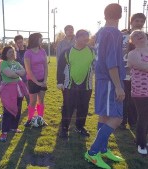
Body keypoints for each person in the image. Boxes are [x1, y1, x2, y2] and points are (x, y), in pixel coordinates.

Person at [84, 4, 125, 169]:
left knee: (105, 116)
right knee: (117, 117)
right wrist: (118, 86)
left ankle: (102, 148)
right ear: (120, 16)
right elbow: (111, 62)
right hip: (110, 80)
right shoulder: (113, 32)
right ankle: (92, 153)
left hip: (102, 80)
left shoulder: (100, 32)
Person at [57, 29, 95, 138]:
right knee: (68, 107)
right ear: (77, 38)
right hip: (69, 85)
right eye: (83, 37)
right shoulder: (67, 52)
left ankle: (80, 127)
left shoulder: (92, 51)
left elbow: (97, 65)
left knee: (83, 107)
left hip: (86, 85)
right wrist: (59, 82)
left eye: (87, 38)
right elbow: (60, 68)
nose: (85, 40)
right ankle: (64, 129)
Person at [120, 13, 146, 129]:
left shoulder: (145, 37)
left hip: (140, 76)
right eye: (137, 21)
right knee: (123, 98)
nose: (139, 23)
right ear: (131, 22)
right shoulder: (123, 35)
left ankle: (133, 121)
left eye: (141, 21)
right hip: (124, 73)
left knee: (135, 100)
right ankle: (121, 121)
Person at [0, 46, 28, 141]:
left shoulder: (17, 63)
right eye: (9, 52)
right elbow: (9, 74)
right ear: (5, 54)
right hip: (8, 89)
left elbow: (24, 72)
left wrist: (15, 72)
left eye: (13, 51)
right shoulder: (3, 63)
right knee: (7, 110)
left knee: (18, 108)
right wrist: (17, 73)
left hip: (18, 88)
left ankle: (14, 127)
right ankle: (4, 132)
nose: (12, 53)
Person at [127, 30, 148, 155]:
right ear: (132, 41)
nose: (139, 36)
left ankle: (143, 139)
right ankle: (140, 144)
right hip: (140, 91)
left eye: (141, 34)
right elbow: (143, 67)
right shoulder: (132, 54)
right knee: (143, 117)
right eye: (135, 36)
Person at [24, 33, 48, 127]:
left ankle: (40, 119)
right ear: (35, 39)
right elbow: (28, 70)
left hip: (42, 80)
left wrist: (45, 80)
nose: (42, 40)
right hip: (32, 81)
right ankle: (29, 119)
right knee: (33, 101)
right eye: (40, 38)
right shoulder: (28, 53)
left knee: (41, 100)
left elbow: (46, 66)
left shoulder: (43, 51)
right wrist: (37, 82)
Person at [14, 35, 30, 104]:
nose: (20, 44)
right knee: (19, 93)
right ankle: (18, 106)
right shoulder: (14, 52)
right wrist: (17, 51)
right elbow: (16, 62)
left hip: (27, 75)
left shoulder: (28, 51)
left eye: (21, 42)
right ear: (16, 43)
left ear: (23, 41)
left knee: (27, 91)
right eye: (18, 43)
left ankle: (29, 105)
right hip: (18, 76)